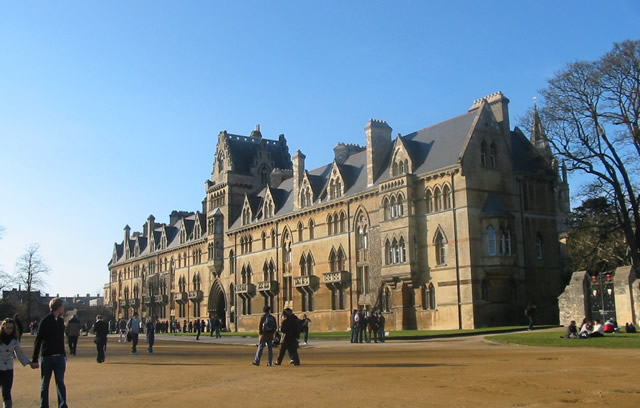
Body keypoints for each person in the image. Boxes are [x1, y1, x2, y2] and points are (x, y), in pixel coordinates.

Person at [32, 297, 68, 408]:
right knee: (45, 384)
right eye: (62, 306)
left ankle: (62, 405)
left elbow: (61, 340)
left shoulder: (61, 321)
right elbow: (38, 340)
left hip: (59, 357)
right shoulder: (45, 321)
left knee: (60, 383)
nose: (63, 308)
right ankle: (44, 405)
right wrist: (34, 359)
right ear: (57, 307)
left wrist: (64, 354)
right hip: (47, 357)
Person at [0, 318, 38, 407]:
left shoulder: (14, 340)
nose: (9, 330)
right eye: (7, 328)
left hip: (8, 368)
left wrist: (29, 363)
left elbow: (19, 354)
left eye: (11, 328)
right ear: (3, 327)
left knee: (7, 392)